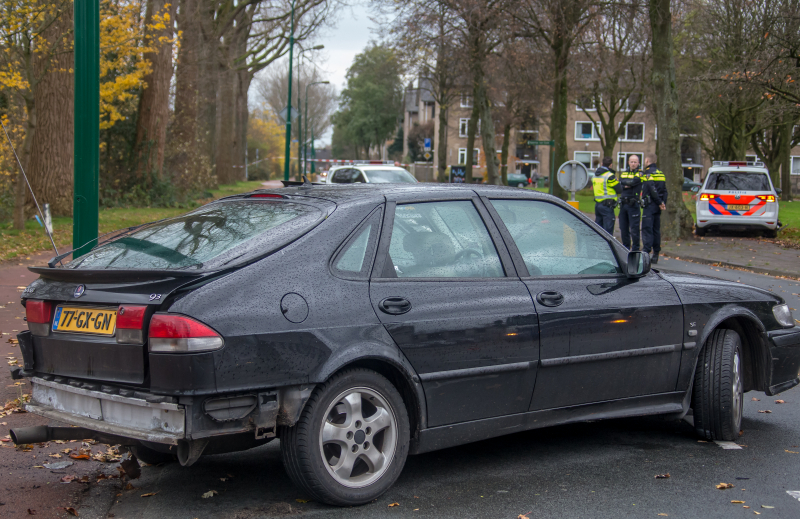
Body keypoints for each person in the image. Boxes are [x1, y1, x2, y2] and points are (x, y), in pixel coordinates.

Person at [641, 153, 667, 264]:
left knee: (647, 229)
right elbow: (665, 191)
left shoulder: (647, 174)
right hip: (657, 207)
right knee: (656, 230)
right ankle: (656, 254)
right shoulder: (661, 173)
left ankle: (646, 253)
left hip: (650, 205)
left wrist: (659, 202)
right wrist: (662, 203)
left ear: (647, 160)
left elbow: (652, 190)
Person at [618, 155, 643, 251]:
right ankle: (626, 248)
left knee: (634, 229)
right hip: (624, 204)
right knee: (623, 228)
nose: (633, 164)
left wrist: (626, 183)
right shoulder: (624, 173)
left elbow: (634, 182)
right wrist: (626, 184)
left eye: (635, 162)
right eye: (631, 162)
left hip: (633, 204)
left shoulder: (640, 173)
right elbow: (620, 184)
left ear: (638, 163)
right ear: (628, 162)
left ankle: (635, 250)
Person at [592, 157, 621, 235]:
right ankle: (607, 247)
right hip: (607, 206)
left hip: (598, 205)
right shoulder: (610, 176)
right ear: (610, 165)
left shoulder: (595, 175)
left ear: (602, 164)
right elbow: (619, 189)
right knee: (607, 232)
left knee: (598, 231)